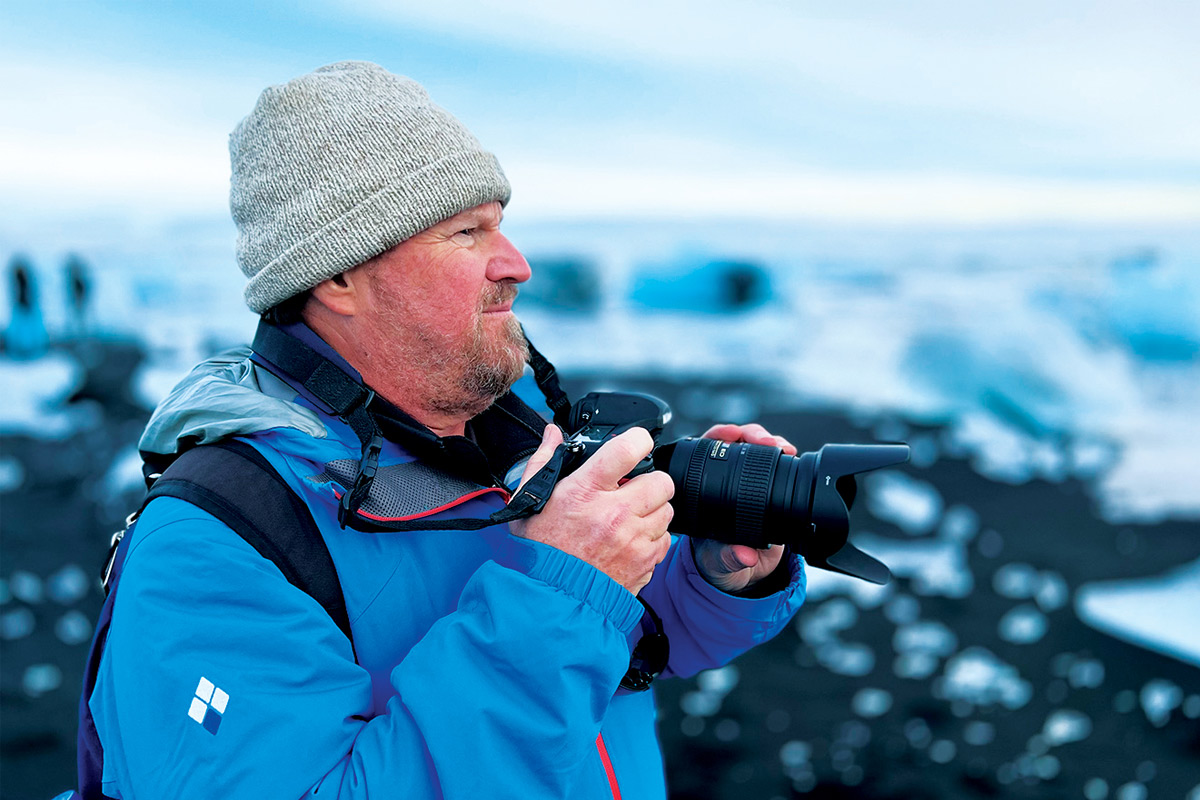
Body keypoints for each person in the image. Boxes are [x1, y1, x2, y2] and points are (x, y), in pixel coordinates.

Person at [86, 61, 806, 798]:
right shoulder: (220, 540)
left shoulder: (500, 440)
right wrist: (566, 593)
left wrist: (711, 577)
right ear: (339, 276)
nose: (517, 265)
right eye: (468, 232)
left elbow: (617, 649)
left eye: (502, 225)